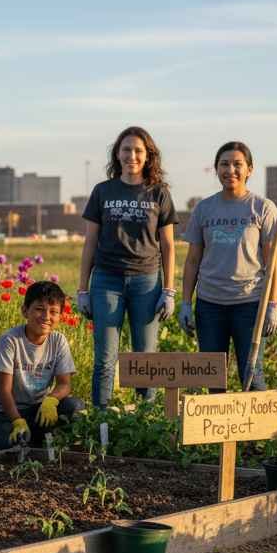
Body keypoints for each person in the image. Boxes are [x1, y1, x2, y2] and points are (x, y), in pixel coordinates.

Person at [77, 126, 179, 407]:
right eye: (126, 149)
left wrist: (169, 290)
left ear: (148, 156)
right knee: (105, 359)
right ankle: (102, 422)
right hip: (107, 280)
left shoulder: (159, 193)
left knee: (144, 357)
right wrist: (82, 290)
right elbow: (90, 243)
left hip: (146, 281)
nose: (131, 155)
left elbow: (168, 245)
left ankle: (145, 422)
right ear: (117, 153)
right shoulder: (103, 191)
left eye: (138, 150)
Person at [178, 142, 277, 390]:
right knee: (214, 380)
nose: (230, 170)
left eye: (237, 164)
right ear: (216, 169)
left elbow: (273, 263)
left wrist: (273, 305)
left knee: (252, 376)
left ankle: (258, 429)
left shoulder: (262, 208)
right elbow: (192, 261)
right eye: (224, 164)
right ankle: (219, 427)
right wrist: (186, 303)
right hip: (210, 306)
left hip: (249, 304)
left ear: (249, 169)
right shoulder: (204, 208)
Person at [0, 281, 84, 450]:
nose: (46, 317)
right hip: (3, 413)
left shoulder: (58, 341)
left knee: (74, 406)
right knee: (11, 447)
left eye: (53, 312)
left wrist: (51, 400)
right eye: (39, 309)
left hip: (36, 409)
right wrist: (17, 421)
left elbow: (65, 384)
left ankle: (37, 441)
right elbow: (4, 391)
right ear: (25, 310)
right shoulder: (10, 340)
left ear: (60, 316)